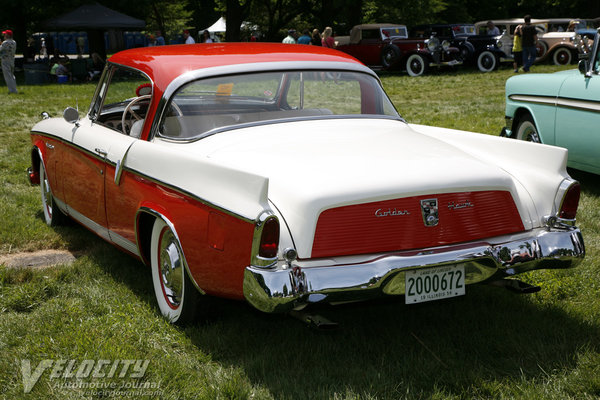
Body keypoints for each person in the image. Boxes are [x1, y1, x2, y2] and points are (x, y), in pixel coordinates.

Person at [0, 29, 17, 94]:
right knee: (12, 76)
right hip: (12, 60)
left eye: (5, 34)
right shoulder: (14, 42)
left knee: (8, 76)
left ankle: (12, 91)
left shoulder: (5, 42)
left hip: (5, 61)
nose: (4, 35)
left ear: (7, 35)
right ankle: (14, 89)